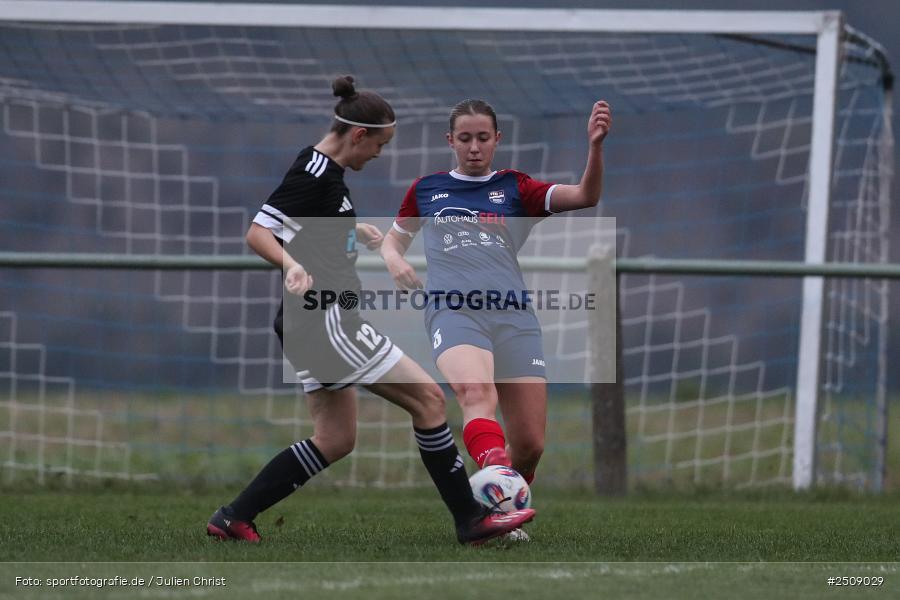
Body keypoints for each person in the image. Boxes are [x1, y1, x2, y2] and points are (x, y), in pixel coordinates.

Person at [206, 78, 534, 545]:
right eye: (380, 144)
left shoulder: (319, 168)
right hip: (328, 319)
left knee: (336, 439)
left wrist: (349, 230)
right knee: (430, 401)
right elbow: (259, 233)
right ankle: (472, 520)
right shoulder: (315, 174)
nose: (379, 154)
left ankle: (233, 517)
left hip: (306, 323)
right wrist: (293, 263)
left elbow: (306, 220)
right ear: (358, 135)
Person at [381, 98, 611, 496]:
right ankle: (491, 491)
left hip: (513, 317)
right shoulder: (427, 189)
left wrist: (595, 146)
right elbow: (392, 240)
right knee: (476, 393)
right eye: (465, 138)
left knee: (529, 445)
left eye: (483, 138)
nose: (474, 147)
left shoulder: (517, 188)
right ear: (450, 140)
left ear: (496, 140)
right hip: (453, 311)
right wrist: (394, 261)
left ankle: (499, 505)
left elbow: (585, 196)